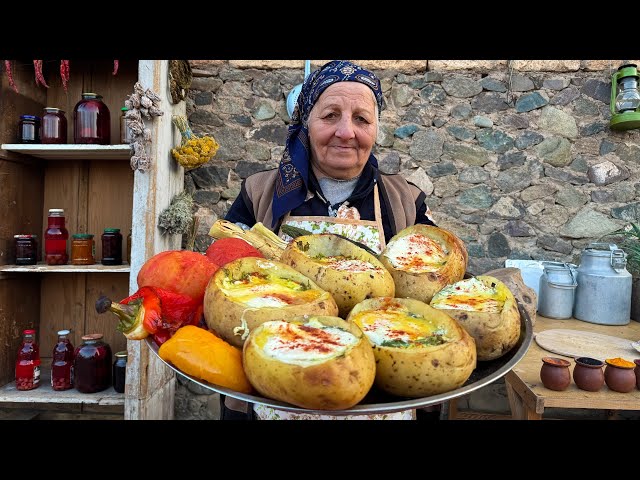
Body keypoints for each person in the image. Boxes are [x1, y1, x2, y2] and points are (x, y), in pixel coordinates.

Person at [222, 60, 438, 420]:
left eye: (361, 119)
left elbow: (441, 291)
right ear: (306, 122)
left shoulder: (405, 201)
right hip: (278, 386)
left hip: (377, 396)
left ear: (376, 129)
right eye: (330, 115)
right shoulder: (259, 193)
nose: (345, 131)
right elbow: (222, 281)